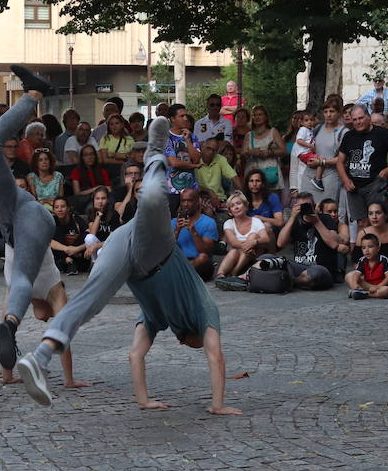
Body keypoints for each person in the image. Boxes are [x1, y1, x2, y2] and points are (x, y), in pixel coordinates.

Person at [12, 115, 242, 415]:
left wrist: (144, 400)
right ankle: (155, 153)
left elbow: (135, 355)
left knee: (90, 299)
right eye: (191, 344)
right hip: (158, 249)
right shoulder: (205, 310)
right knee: (151, 201)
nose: (186, 345)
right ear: (196, 335)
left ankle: (40, 356)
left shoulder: (159, 319)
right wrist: (218, 404)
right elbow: (216, 357)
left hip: (128, 255)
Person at [0, 68, 62, 383]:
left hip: (20, 219)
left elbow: (58, 324)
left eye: (39, 319)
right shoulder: (55, 290)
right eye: (42, 319)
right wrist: (68, 380)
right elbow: (61, 325)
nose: (42, 318)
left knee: (21, 282)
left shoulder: (40, 291)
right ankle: (34, 94)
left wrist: (7, 375)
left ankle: (34, 94)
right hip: (25, 213)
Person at [336, 104, 388, 240]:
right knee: (361, 222)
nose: (358, 122)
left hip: (375, 184)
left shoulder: (382, 133)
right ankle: (362, 255)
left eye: (361, 118)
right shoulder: (348, 136)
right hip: (353, 186)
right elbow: (340, 162)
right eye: (355, 120)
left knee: (377, 220)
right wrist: (345, 180)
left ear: (368, 116)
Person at [277, 192, 346, 289]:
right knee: (271, 260)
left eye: (307, 206)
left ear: (314, 206)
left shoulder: (325, 219)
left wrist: (316, 221)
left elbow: (333, 244)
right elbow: (280, 243)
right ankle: (299, 281)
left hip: (321, 268)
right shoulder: (295, 222)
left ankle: (292, 281)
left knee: (317, 273)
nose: (304, 209)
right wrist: (292, 217)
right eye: (301, 206)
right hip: (300, 267)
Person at [215, 191, 267, 280]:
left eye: (238, 203)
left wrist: (254, 242)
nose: (236, 207)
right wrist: (248, 246)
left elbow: (266, 238)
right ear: (230, 212)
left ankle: (233, 273)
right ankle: (220, 275)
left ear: (246, 206)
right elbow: (234, 243)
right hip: (236, 256)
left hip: (253, 256)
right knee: (233, 251)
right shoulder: (229, 223)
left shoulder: (255, 221)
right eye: (232, 206)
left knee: (253, 236)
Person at [241, 105, 285, 198]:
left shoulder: (273, 132)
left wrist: (269, 152)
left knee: (273, 201)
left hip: (270, 172)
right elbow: (242, 154)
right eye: (254, 115)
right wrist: (251, 152)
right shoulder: (249, 135)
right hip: (253, 172)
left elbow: (283, 150)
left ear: (265, 117)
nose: (257, 117)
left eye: (260, 114)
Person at [345, 234, 388, 300]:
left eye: (370, 247)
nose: (367, 250)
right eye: (363, 248)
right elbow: (357, 274)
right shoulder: (362, 260)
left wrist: (377, 287)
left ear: (378, 248)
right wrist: (355, 284)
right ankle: (356, 290)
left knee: (386, 290)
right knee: (349, 276)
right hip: (367, 285)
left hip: (380, 285)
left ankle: (365, 294)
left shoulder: (383, 259)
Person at [195, 137, 237, 215]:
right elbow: (192, 185)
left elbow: (234, 177)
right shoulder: (195, 158)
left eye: (214, 150)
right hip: (200, 196)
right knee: (208, 211)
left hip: (220, 198)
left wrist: (245, 196)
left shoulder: (220, 159)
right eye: (208, 148)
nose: (210, 152)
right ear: (202, 147)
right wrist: (209, 191)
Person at [49, 197, 89, 274]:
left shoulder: (76, 219)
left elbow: (90, 237)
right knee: (55, 231)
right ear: (53, 210)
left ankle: (70, 262)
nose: (60, 210)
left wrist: (76, 249)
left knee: (85, 235)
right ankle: (68, 261)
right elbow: (48, 241)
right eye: (56, 207)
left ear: (68, 208)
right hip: (61, 256)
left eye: (63, 206)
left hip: (79, 255)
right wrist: (67, 249)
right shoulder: (52, 221)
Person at [82, 186, 120, 262]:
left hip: (110, 245)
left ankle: (99, 266)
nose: (100, 201)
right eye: (97, 198)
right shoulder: (91, 212)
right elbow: (92, 234)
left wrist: (95, 246)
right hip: (98, 244)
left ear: (108, 200)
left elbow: (112, 240)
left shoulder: (113, 214)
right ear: (93, 200)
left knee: (100, 252)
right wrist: (98, 215)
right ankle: (95, 263)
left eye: (103, 198)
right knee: (89, 238)